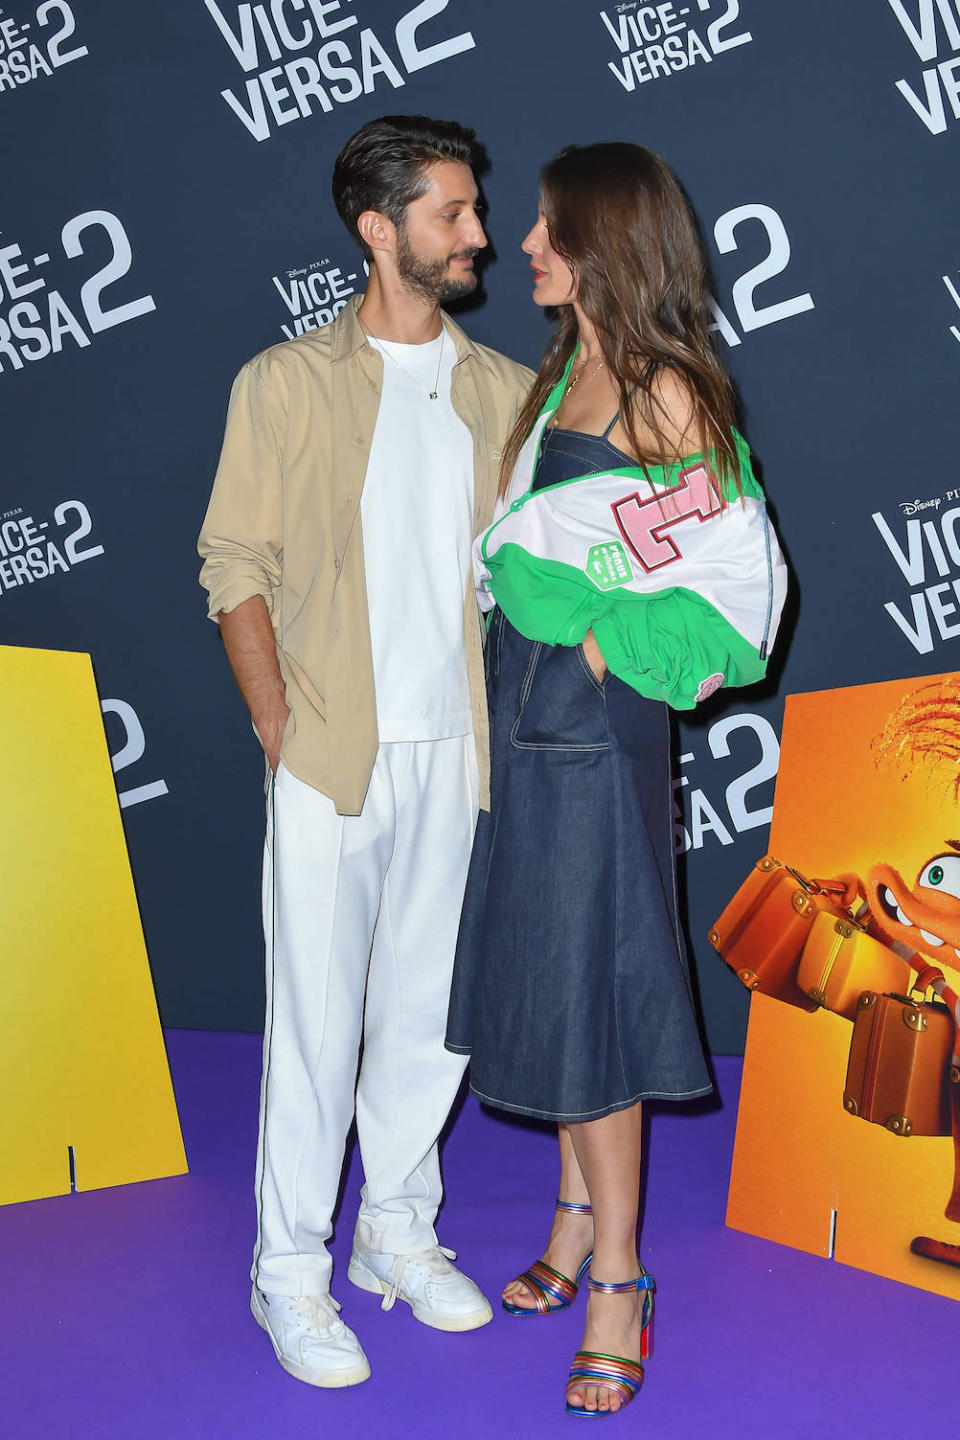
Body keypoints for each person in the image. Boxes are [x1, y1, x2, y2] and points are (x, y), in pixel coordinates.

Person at [446, 142, 787, 1418]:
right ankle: (578, 1218)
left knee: (592, 990)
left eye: (544, 230)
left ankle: (622, 1284)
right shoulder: (566, 369)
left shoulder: (664, 394)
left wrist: (595, 652)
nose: (522, 248)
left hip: (592, 730)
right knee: (555, 966)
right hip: (526, 720)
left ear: (601, 245)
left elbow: (739, 592)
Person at [198, 114, 532, 1389]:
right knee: (315, 1025)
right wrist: (278, 724)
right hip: (333, 752)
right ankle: (289, 1274)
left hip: (463, 756)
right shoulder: (284, 383)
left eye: (474, 209)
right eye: (452, 213)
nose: (479, 236)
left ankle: (398, 1231)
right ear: (379, 229)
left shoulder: (502, 391)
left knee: (427, 1021)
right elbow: (236, 564)